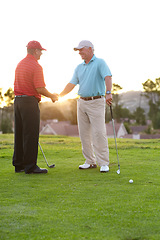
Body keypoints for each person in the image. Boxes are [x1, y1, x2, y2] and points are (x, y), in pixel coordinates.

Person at [60, 40, 112, 173]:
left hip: (96, 101)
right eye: (78, 50)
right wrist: (59, 96)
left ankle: (103, 162)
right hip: (81, 102)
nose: (79, 52)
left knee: (99, 133)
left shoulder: (100, 62)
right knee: (84, 134)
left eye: (81, 50)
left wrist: (108, 93)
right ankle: (90, 161)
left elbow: (108, 77)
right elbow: (71, 84)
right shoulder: (79, 67)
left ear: (90, 49)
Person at [13, 40, 58, 174]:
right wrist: (52, 96)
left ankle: (19, 164)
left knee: (20, 133)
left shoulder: (20, 64)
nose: (41, 54)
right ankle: (30, 167)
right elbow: (39, 88)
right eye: (40, 51)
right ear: (35, 51)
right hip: (29, 103)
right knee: (31, 134)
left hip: (17, 102)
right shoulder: (36, 66)